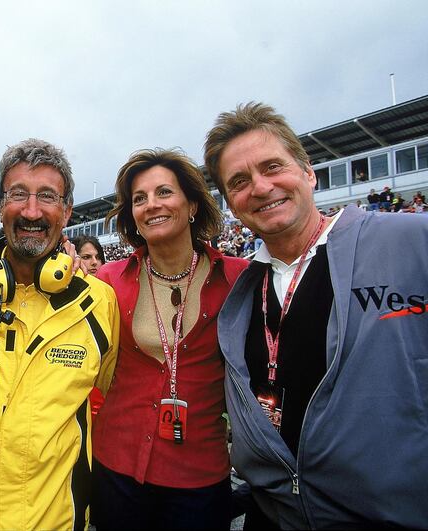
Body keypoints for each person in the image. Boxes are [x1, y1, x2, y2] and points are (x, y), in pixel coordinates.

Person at [204, 102, 428, 528]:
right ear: (232, 202)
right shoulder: (241, 290)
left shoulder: (412, 241)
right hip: (274, 515)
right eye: (239, 181)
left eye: (272, 167)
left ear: (308, 171)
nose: (261, 186)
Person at [0, 138, 119, 530]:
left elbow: (115, 399)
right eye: (19, 194)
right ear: (1, 206)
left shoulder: (100, 303)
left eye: (47, 196)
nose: (31, 211)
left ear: (66, 211)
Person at [90, 148, 248, 530]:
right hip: (116, 466)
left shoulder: (239, 278)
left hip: (199, 474)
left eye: (164, 192)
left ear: (192, 203)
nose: (150, 205)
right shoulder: (108, 282)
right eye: (139, 199)